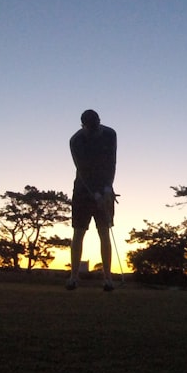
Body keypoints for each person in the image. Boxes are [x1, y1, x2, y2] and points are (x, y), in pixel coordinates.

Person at [67, 109, 117, 291]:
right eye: (90, 128)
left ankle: (108, 279)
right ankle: (73, 278)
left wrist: (106, 190)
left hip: (105, 188)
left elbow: (112, 162)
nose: (93, 131)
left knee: (104, 231)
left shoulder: (110, 134)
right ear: (83, 125)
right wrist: (95, 194)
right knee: (79, 232)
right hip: (82, 190)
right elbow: (83, 169)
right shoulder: (76, 140)